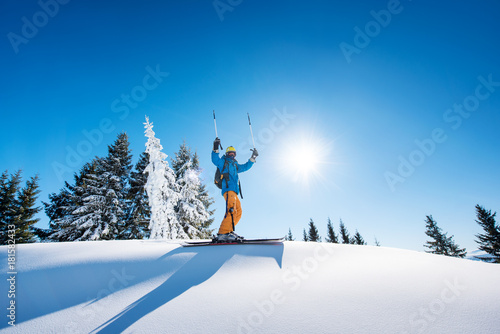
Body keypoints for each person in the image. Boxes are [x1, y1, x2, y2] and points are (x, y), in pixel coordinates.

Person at [212, 137, 258, 242]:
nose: (232, 155)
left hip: (234, 191)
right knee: (231, 210)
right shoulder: (223, 162)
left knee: (238, 212)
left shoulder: (235, 165)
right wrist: (215, 147)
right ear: (227, 154)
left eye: (233, 154)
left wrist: (253, 157)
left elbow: (246, 166)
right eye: (230, 153)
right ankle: (223, 233)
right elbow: (214, 159)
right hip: (228, 189)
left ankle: (229, 230)